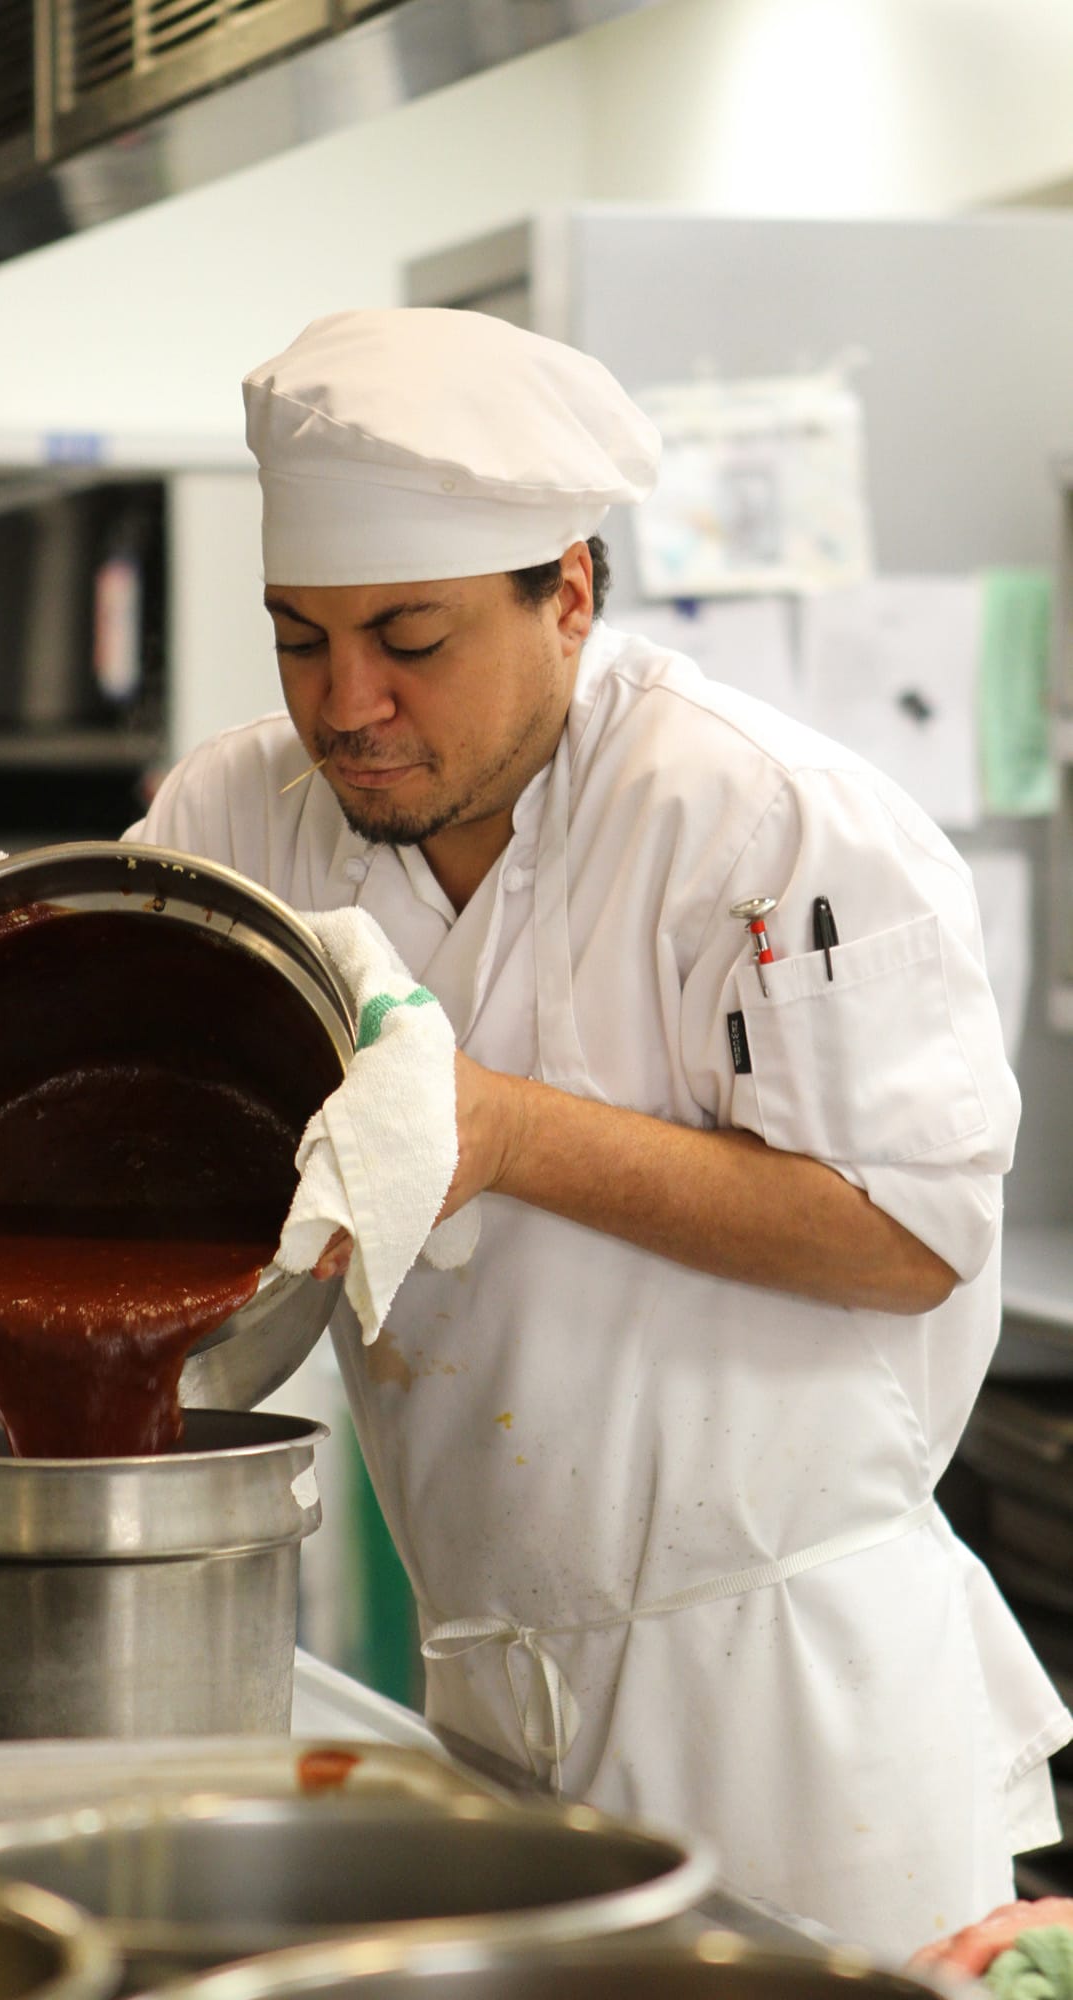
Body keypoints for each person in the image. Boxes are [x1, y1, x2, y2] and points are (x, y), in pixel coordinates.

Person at [123, 307, 1071, 1957]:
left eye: (408, 641)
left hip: (797, 1714)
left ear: (566, 593)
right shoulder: (238, 817)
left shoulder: (762, 818)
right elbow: (97, 1049)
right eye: (297, 639)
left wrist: (500, 1133)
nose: (345, 706)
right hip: (490, 1678)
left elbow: (910, 1238)